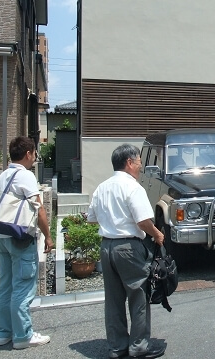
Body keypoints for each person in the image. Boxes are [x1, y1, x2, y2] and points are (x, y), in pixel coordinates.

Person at [87, 144, 166, 359]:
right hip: (129, 247)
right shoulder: (133, 187)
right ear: (129, 163)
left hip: (107, 246)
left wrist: (112, 222)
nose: (141, 166)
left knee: (113, 299)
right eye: (139, 161)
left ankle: (117, 347)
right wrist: (158, 235)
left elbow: (91, 217)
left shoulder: (102, 187)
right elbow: (143, 221)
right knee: (138, 296)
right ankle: (139, 347)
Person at [0, 136, 54, 349]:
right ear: (28, 154)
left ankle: (3, 333)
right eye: (34, 153)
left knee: (5, 286)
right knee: (22, 286)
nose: (35, 157)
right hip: (20, 236)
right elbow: (40, 209)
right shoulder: (25, 176)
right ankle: (22, 336)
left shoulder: (3, 176)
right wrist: (48, 236)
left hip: (2, 236)